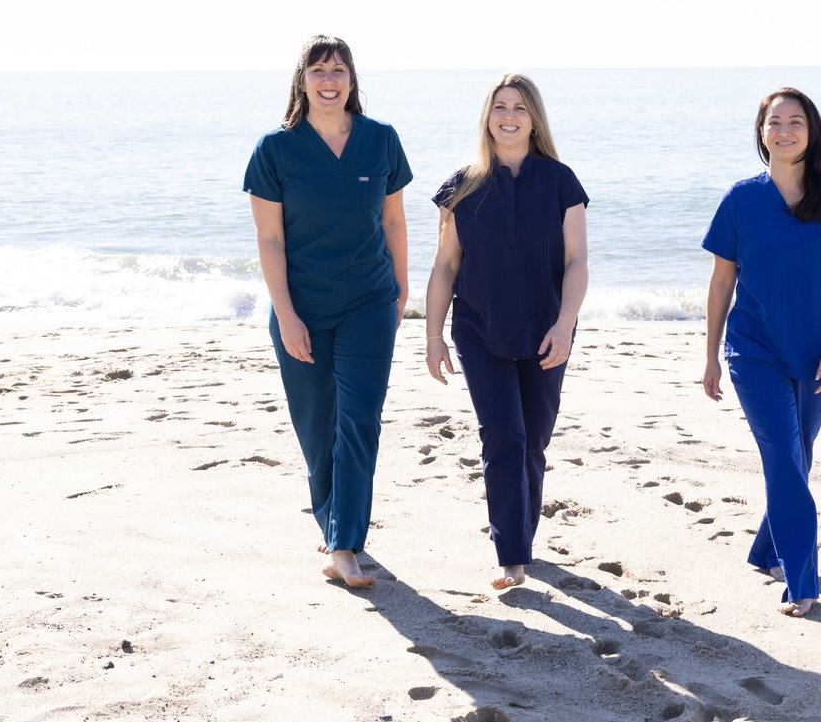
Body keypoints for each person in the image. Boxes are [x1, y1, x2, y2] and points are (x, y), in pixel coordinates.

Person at [700, 88, 821, 617]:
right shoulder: (740, 199)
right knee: (782, 455)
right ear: (761, 133)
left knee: (797, 458)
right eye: (773, 122)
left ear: (811, 130)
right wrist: (710, 355)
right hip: (754, 350)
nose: (784, 131)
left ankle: (766, 549)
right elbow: (720, 283)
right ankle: (802, 580)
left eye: (794, 121)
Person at [244, 36, 412, 589]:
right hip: (303, 306)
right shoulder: (275, 150)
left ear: (351, 79)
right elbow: (270, 240)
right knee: (317, 428)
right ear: (302, 80)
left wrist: (401, 288)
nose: (329, 79)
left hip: (369, 300)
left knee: (359, 420)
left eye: (338, 69)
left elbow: (393, 222)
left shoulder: (381, 141)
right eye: (318, 70)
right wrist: (286, 314)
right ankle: (333, 521)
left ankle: (344, 545)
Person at [424, 74, 589, 591]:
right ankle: (511, 555)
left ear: (534, 117)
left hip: (546, 331)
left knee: (534, 442)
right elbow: (446, 266)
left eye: (519, 106)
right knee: (504, 435)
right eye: (500, 106)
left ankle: (522, 535)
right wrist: (433, 336)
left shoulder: (561, 181)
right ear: (487, 116)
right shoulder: (462, 186)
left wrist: (564, 325)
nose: (509, 115)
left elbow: (578, 260)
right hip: (479, 329)